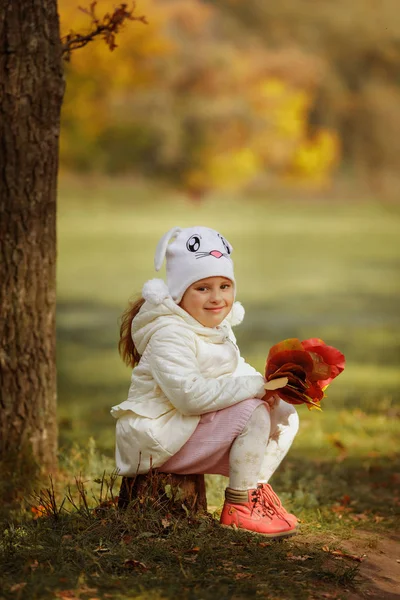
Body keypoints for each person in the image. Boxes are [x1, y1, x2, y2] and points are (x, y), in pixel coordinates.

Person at [111, 226, 299, 537]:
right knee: (253, 412)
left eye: (225, 286)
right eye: (202, 288)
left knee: (283, 412)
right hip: (158, 439)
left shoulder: (216, 327)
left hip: (185, 429)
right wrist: (254, 390)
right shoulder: (169, 334)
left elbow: (235, 369)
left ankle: (254, 493)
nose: (217, 298)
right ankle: (238, 507)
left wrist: (269, 387)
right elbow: (190, 396)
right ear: (178, 293)